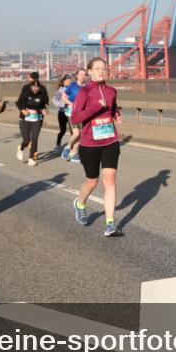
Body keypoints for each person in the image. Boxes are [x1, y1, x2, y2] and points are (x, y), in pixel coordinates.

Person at [69, 58, 123, 237]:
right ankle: (80, 203)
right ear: (90, 71)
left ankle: (110, 224)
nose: (101, 71)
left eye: (104, 68)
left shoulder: (111, 91)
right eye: (97, 68)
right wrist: (94, 107)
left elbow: (113, 108)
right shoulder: (84, 92)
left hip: (110, 141)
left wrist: (116, 115)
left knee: (110, 181)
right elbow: (75, 118)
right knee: (92, 181)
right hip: (89, 144)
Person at [16, 72, 49, 166]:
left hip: (37, 118)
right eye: (33, 90)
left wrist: (44, 109)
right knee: (27, 141)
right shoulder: (26, 89)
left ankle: (31, 158)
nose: (35, 91)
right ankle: (21, 147)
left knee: (34, 139)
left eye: (36, 90)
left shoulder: (42, 90)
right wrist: (23, 110)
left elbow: (45, 102)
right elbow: (19, 102)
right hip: (25, 118)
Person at [61, 68, 87, 163]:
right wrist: (71, 103)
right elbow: (63, 97)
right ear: (77, 76)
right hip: (72, 112)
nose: (83, 76)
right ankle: (68, 147)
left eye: (84, 74)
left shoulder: (87, 87)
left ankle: (75, 154)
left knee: (81, 134)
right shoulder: (72, 86)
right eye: (81, 74)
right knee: (76, 133)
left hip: (82, 113)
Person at [52, 75, 73, 152]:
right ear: (63, 81)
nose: (69, 81)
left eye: (69, 80)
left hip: (71, 113)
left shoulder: (72, 89)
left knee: (73, 131)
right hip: (62, 112)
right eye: (67, 80)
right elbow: (54, 100)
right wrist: (63, 105)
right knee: (63, 130)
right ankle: (58, 145)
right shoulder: (60, 90)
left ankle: (72, 147)